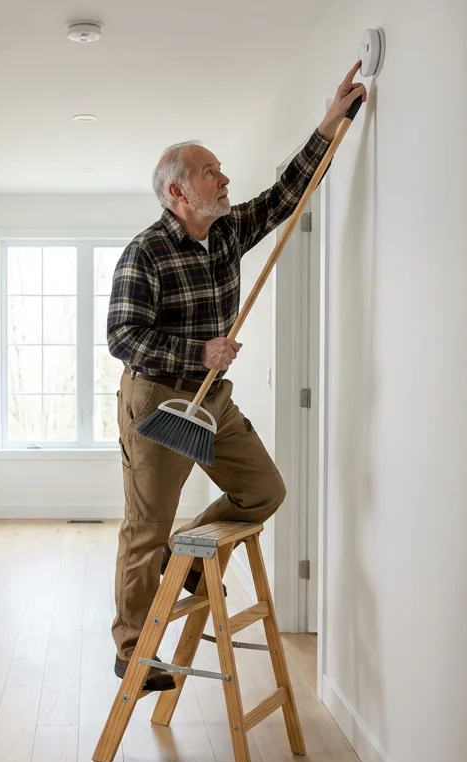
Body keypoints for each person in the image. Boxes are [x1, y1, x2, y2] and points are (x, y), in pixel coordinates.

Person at [106, 62, 367, 691]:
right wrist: (199, 354)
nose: (223, 179)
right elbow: (124, 338)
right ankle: (133, 650)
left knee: (264, 492)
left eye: (220, 170)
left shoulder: (225, 233)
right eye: (208, 172)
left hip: (213, 401)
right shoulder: (146, 252)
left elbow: (285, 196)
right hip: (160, 404)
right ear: (178, 193)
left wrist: (330, 122)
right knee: (147, 525)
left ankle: (189, 557)